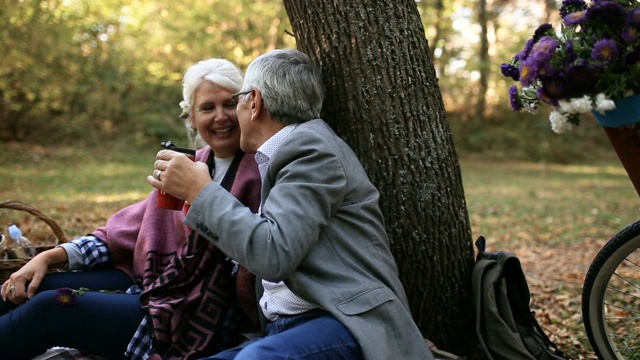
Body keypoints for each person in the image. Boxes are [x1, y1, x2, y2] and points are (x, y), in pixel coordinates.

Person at [148, 49, 434, 360]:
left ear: (254, 102)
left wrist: (200, 191)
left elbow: (272, 254)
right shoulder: (282, 154)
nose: (232, 114)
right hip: (290, 327)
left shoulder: (312, 150)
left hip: (342, 322)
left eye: (237, 100)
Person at [0, 58, 262, 360]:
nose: (221, 117)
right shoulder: (187, 162)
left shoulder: (259, 168)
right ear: (190, 118)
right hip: (151, 281)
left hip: (190, 310)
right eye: (207, 108)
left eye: (229, 104)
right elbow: (123, 232)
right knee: (33, 284)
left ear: (245, 106)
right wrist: (47, 257)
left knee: (53, 306)